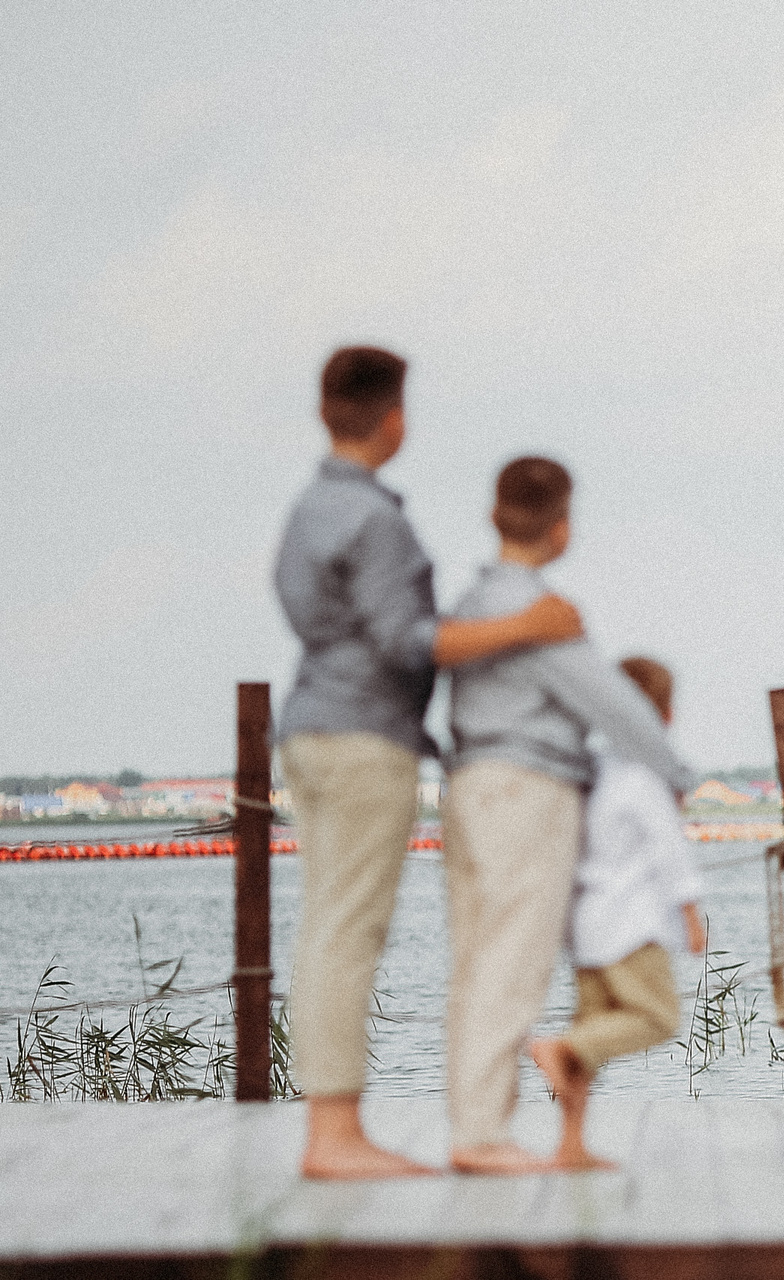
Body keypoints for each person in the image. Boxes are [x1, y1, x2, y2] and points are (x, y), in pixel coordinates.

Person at [274, 346, 585, 1181]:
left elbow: (310, 613)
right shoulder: (376, 521)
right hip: (364, 735)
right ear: (395, 419)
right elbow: (405, 640)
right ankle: (335, 1136)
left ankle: (332, 1129)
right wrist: (525, 627)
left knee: (328, 924)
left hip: (310, 725)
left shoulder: (308, 510)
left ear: (325, 411)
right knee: (348, 931)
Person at [441, 457, 698, 1175]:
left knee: (475, 959)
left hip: (465, 783)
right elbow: (616, 706)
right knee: (514, 963)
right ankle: (482, 1137)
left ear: (493, 516)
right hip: (526, 790)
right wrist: (677, 777)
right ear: (562, 529)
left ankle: (475, 1125)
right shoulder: (544, 616)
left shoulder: (468, 605)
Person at [530, 656, 706, 1171]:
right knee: (655, 1017)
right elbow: (669, 851)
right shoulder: (642, 778)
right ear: (665, 715)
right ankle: (559, 1047)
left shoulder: (587, 773)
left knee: (592, 1033)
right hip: (633, 926)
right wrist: (691, 915)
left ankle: (570, 1143)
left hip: (586, 926)